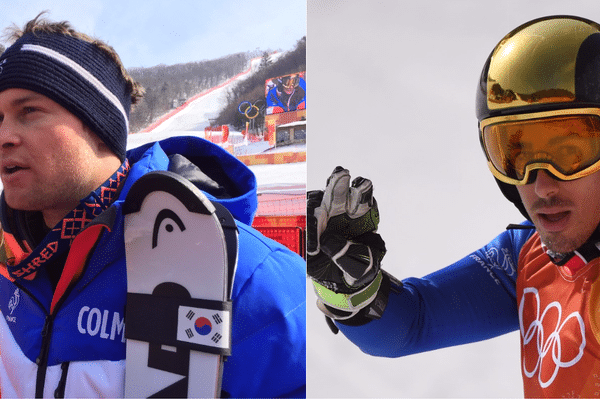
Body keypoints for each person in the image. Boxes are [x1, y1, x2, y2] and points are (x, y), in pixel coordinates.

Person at [0, 13, 306, 398]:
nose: (4, 136)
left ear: (96, 125)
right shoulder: (11, 258)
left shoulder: (246, 278)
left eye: (29, 111)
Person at [307, 15, 600, 398]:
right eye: (514, 155)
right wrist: (348, 289)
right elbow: (409, 324)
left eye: (570, 153)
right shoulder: (530, 257)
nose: (541, 184)